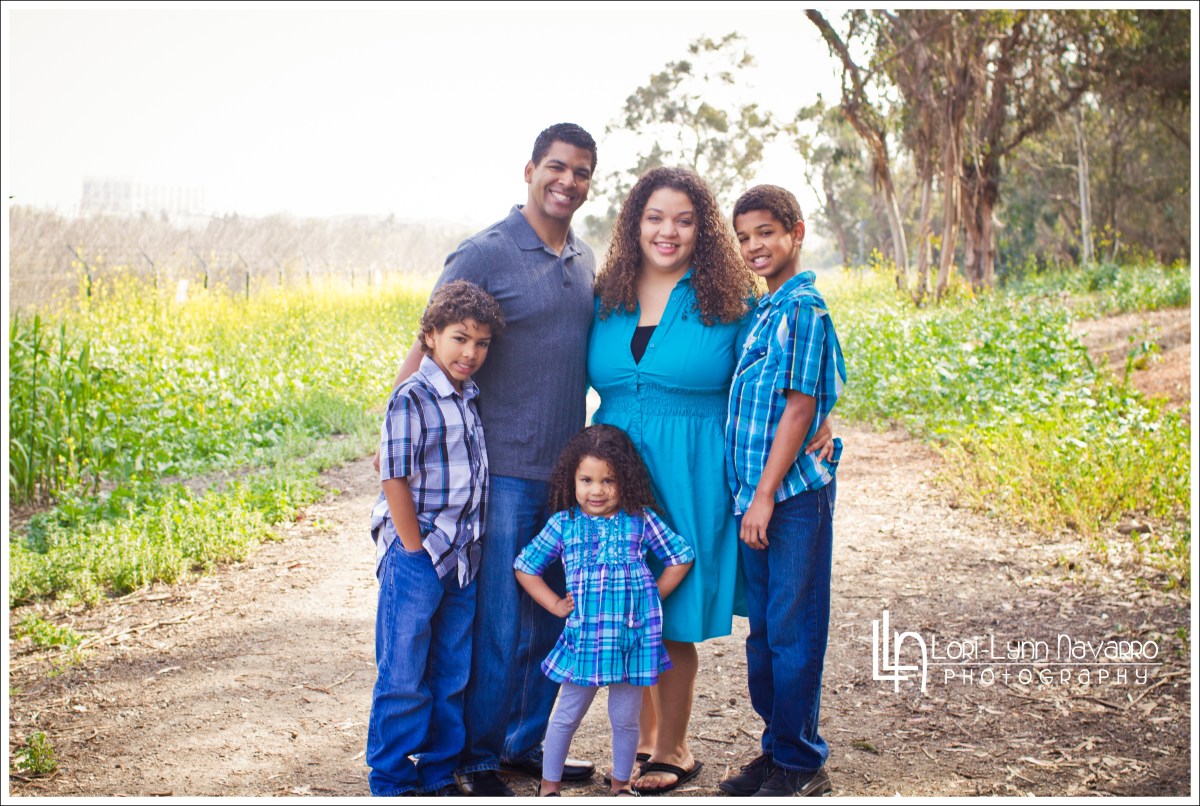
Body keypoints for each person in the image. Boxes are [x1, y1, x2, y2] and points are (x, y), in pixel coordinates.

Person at [380, 123, 599, 797]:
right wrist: (402, 450)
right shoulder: (485, 252)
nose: (567, 181)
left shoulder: (585, 260)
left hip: (563, 474)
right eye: (556, 166)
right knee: (498, 626)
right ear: (530, 170)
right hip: (497, 472)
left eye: (581, 172)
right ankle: (475, 758)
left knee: (549, 619)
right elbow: (425, 347)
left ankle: (521, 744)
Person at [587, 166, 757, 794]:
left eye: (685, 220)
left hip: (692, 472)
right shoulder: (607, 296)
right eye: (655, 217)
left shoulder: (731, 301)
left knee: (673, 610)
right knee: (621, 604)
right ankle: (642, 738)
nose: (668, 231)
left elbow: (779, 367)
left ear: (702, 229)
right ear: (635, 224)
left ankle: (674, 748)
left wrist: (818, 418)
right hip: (612, 474)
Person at [718, 185, 845, 798]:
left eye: (766, 232)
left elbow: (799, 407)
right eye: (744, 237)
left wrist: (765, 495)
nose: (754, 246)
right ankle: (776, 748)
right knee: (765, 632)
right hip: (756, 494)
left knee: (793, 629)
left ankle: (800, 761)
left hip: (789, 498)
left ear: (796, 232)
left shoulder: (804, 309)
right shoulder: (767, 309)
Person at [366, 280, 505, 796]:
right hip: (419, 554)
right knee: (404, 671)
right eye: (459, 339)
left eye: (481, 343)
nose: (470, 353)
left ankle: (439, 773)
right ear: (430, 336)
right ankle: (393, 778)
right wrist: (411, 548)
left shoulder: (468, 395)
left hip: (461, 557)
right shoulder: (412, 396)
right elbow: (393, 477)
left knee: (451, 671)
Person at [513, 425, 694, 797]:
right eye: (587, 480)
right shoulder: (564, 524)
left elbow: (680, 556)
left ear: (625, 479)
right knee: (566, 717)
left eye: (608, 480)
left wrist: (652, 596)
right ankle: (549, 786)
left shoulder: (639, 519)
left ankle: (621, 784)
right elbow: (525, 566)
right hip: (584, 642)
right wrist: (555, 604)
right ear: (573, 480)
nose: (596, 490)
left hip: (630, 642)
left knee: (625, 721)